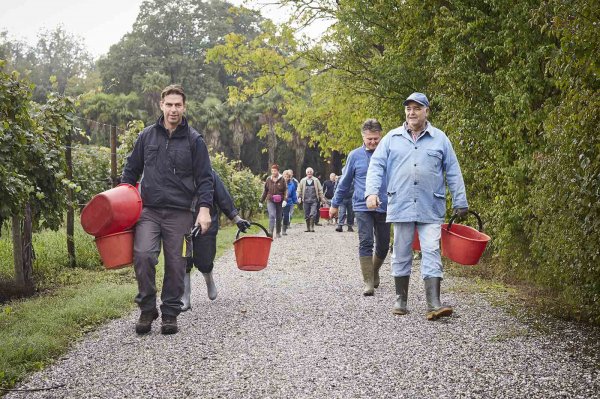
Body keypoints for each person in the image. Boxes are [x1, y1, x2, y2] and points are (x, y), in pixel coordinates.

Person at [365, 92, 468, 320]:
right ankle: (401, 299)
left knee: (431, 250)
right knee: (401, 252)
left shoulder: (440, 139)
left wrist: (460, 201)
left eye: (417, 108)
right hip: (400, 204)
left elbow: (453, 170)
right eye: (409, 109)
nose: (412, 113)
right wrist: (371, 192)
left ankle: (434, 303)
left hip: (430, 205)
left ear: (426, 111)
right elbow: (376, 166)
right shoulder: (392, 138)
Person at [121, 84, 213, 335]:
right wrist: (121, 200)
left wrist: (204, 209)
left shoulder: (194, 140)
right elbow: (130, 171)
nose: (173, 109)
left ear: (184, 107)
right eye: (169, 104)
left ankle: (170, 313)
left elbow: (205, 179)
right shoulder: (147, 136)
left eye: (178, 105)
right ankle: (147, 307)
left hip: (180, 212)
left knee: (176, 263)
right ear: (161, 105)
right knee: (143, 255)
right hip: (148, 211)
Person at [329, 119, 390, 295]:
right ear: (363, 136)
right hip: (362, 206)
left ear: (381, 136)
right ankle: (368, 281)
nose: (372, 142)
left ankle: (375, 270)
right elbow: (345, 182)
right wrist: (335, 204)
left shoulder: (389, 153)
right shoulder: (354, 156)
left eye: (376, 139)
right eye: (369, 139)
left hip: (384, 205)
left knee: (384, 245)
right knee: (366, 241)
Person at [181, 170, 251, 311]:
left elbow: (223, 197)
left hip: (206, 223)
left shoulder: (209, 173)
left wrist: (236, 218)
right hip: (182, 222)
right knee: (183, 258)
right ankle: (185, 297)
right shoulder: (177, 171)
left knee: (205, 259)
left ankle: (209, 278)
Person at [260, 164, 288, 238]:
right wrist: (261, 201)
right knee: (272, 215)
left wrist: (285, 200)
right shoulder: (268, 179)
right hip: (270, 200)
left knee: (279, 216)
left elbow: (285, 190)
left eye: (275, 171)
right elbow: (265, 191)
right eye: (272, 171)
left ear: (278, 171)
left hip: (280, 201)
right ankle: (270, 232)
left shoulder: (282, 179)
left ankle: (278, 232)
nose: (273, 172)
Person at [297, 167, 326, 232]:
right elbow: (299, 190)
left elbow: (320, 190)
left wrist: (322, 198)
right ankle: (308, 228)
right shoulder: (303, 180)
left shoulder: (316, 180)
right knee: (306, 214)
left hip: (314, 200)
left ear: (312, 173)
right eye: (308, 172)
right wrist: (299, 197)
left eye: (310, 172)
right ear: (306, 173)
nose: (309, 173)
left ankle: (312, 227)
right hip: (305, 200)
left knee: (313, 213)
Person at [282, 170, 298, 235]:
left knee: (286, 216)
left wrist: (295, 201)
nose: (286, 178)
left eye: (287, 177)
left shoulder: (292, 185)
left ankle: (284, 230)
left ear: (290, 177)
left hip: (288, 202)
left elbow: (294, 194)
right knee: (279, 215)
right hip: (279, 202)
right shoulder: (279, 183)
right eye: (285, 176)